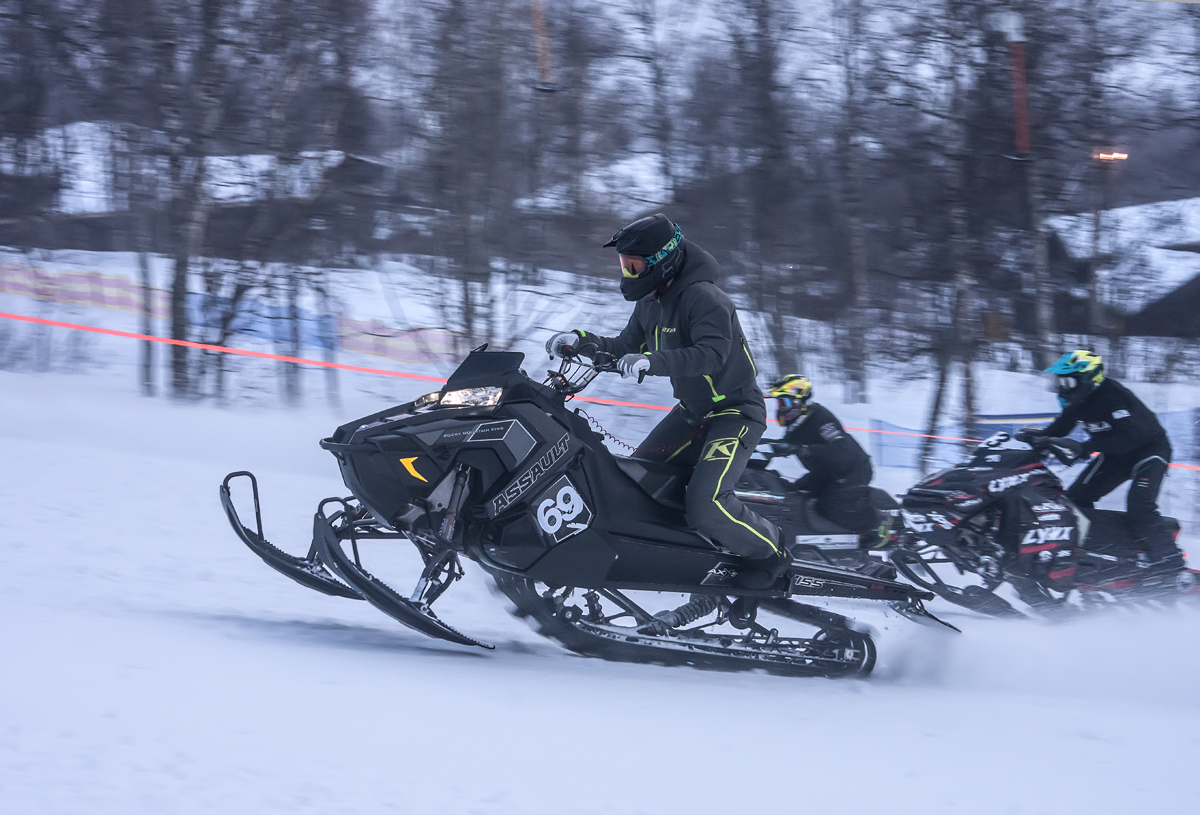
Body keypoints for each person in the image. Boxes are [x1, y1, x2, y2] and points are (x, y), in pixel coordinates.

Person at [545, 214, 786, 587]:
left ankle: (774, 554)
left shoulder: (705, 299)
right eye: (625, 265)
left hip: (735, 413)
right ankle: (680, 559)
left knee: (707, 504)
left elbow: (710, 354)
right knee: (634, 486)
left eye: (635, 266)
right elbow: (625, 346)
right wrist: (580, 340)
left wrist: (651, 362)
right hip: (692, 415)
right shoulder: (652, 300)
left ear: (663, 261)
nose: (627, 273)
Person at [1018, 350, 1183, 574]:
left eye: (1067, 381)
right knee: (1075, 501)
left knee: (1140, 507)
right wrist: (1039, 440)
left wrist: (1086, 447)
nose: (1062, 387)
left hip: (1149, 451)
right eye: (1061, 382)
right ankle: (1095, 552)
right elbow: (1061, 426)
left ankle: (1172, 568)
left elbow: (1131, 436)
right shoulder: (1078, 400)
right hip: (1115, 454)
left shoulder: (1115, 397)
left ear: (1088, 379)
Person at [764, 375, 878, 536]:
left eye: (784, 402)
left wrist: (805, 449)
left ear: (799, 401)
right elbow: (784, 446)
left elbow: (842, 449)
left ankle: (871, 531)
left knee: (828, 506)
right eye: (779, 403)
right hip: (826, 474)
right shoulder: (796, 425)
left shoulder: (821, 419)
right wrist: (758, 445)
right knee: (791, 494)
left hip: (853, 471)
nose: (781, 408)